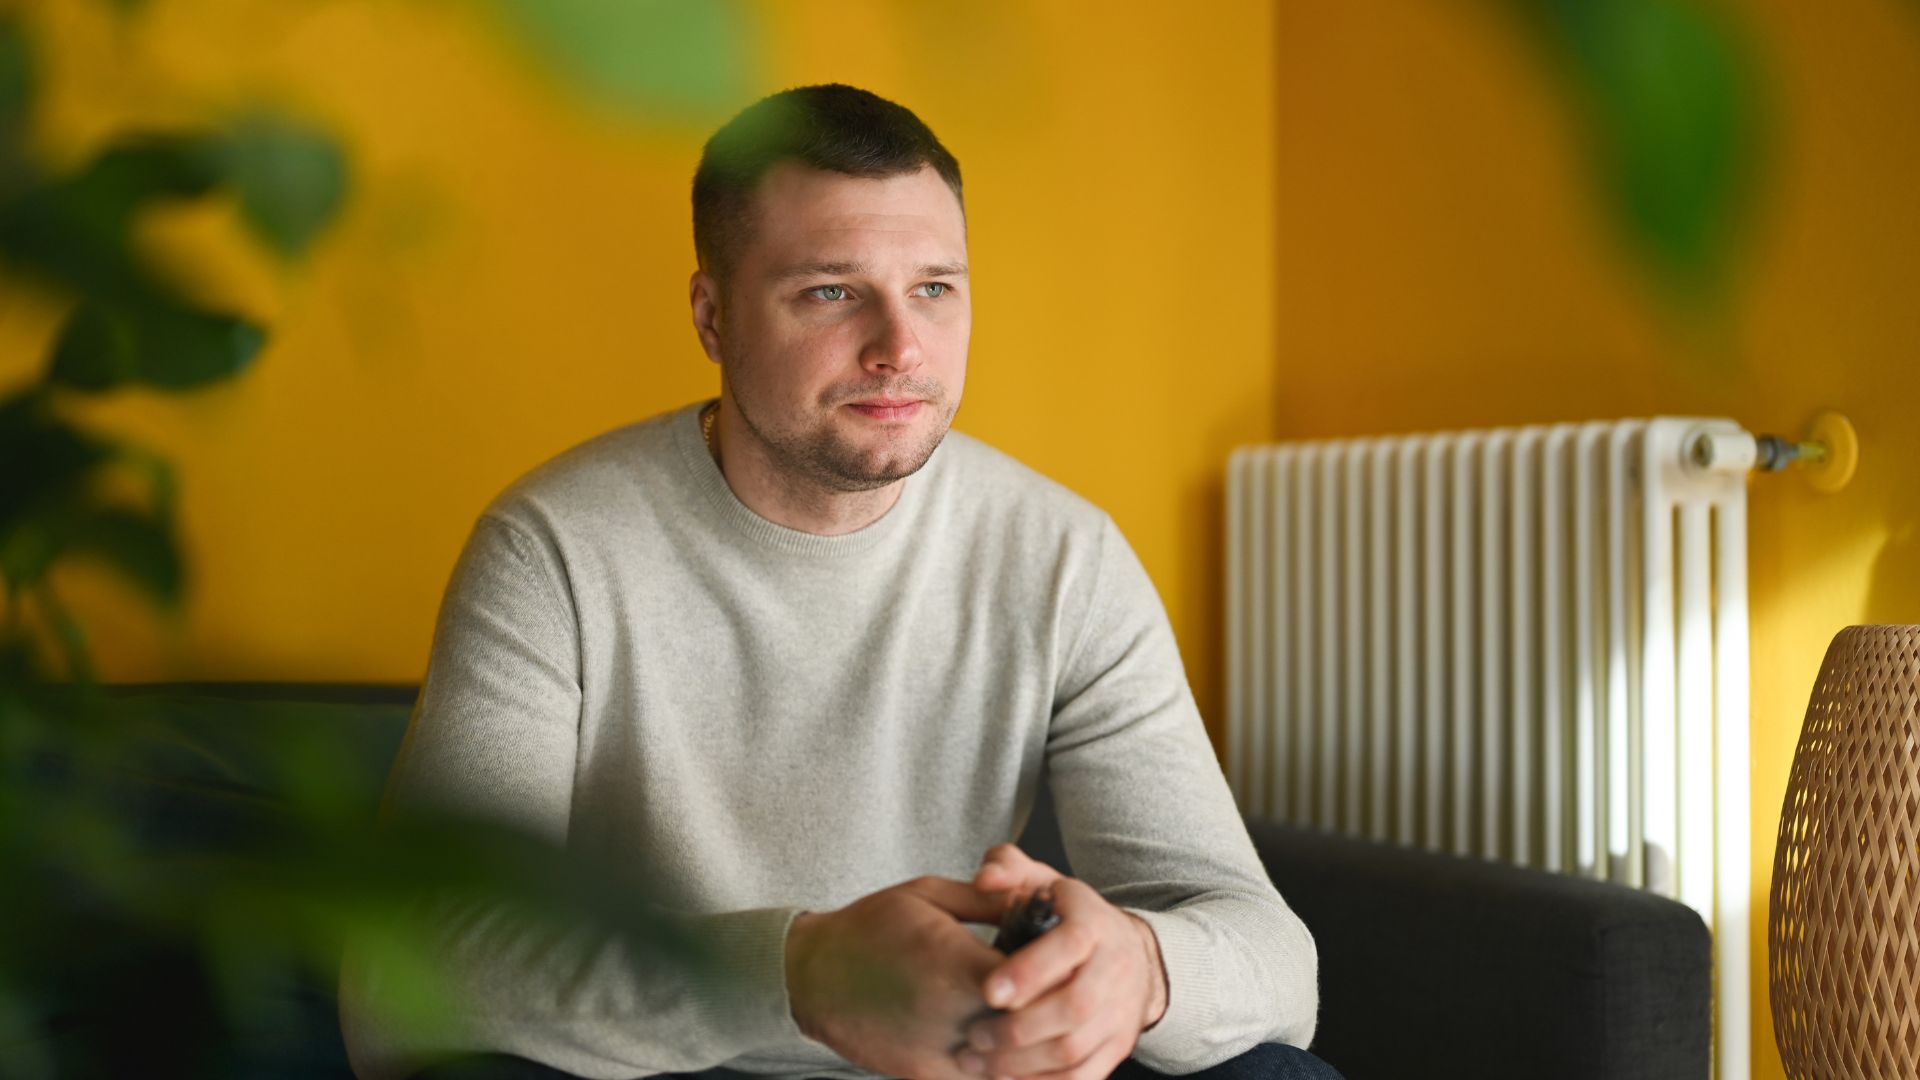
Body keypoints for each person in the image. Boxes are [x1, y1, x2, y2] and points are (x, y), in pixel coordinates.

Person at [340, 84, 1337, 1080]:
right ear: (713, 317)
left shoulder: (1064, 558)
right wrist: (805, 973)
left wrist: (1143, 971)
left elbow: (1275, 962)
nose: (901, 348)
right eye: (831, 292)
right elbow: (406, 971)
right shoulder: (553, 548)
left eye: (935, 288)